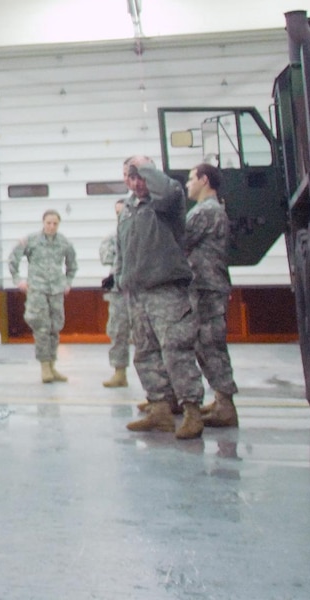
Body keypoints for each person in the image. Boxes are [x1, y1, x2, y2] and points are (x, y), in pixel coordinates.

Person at [115, 155, 205, 439]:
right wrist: (121, 278)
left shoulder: (168, 197)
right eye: (130, 175)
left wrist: (145, 167)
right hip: (137, 293)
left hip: (166, 289)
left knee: (176, 350)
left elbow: (165, 190)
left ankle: (192, 410)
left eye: (140, 174)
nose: (135, 181)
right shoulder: (128, 208)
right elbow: (122, 248)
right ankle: (160, 410)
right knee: (145, 353)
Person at [184, 162, 238, 427]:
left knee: (210, 344)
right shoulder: (210, 210)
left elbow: (180, 241)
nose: (187, 184)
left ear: (204, 180)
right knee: (206, 344)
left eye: (191, 179)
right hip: (207, 286)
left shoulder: (205, 212)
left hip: (207, 288)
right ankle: (220, 400)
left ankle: (226, 405)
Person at [8, 209, 78, 383]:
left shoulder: (64, 243)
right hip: (37, 290)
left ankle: (53, 366)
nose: (51, 226)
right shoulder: (31, 240)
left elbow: (72, 265)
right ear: (43, 222)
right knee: (42, 328)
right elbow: (13, 259)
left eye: (55, 223)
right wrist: (18, 280)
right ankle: (44, 367)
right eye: (48, 223)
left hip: (56, 291)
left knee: (55, 328)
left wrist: (68, 282)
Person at [99, 199, 130, 388]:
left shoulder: (142, 234)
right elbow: (105, 256)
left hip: (141, 291)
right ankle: (120, 372)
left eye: (123, 212)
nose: (120, 216)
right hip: (119, 291)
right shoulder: (112, 237)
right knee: (117, 332)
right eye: (117, 213)